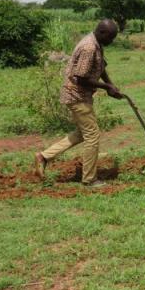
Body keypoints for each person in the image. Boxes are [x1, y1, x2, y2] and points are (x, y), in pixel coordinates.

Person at [34, 19, 123, 187]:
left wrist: (110, 85)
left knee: (84, 133)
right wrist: (105, 87)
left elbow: (100, 67)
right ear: (103, 33)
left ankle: (44, 157)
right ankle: (89, 179)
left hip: (80, 95)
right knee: (93, 135)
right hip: (77, 96)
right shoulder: (89, 47)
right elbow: (81, 78)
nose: (112, 41)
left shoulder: (96, 42)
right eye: (111, 37)